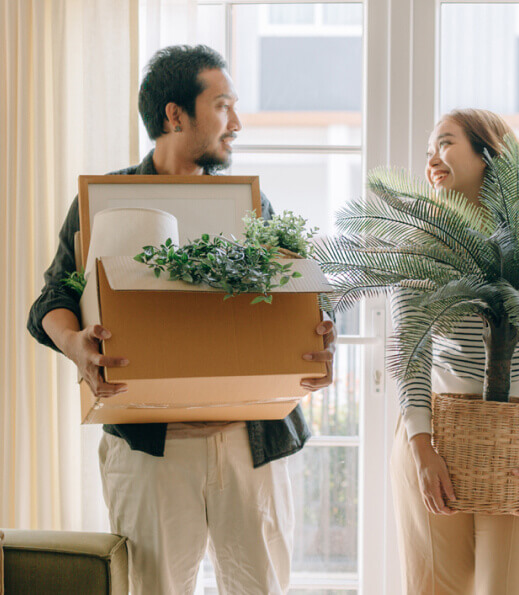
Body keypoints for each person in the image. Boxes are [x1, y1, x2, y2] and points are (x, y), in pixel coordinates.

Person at [25, 44, 335, 595]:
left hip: (253, 443)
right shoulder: (103, 202)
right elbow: (51, 299)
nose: (236, 124)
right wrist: (76, 346)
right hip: (150, 447)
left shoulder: (252, 206)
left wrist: (316, 334)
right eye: (223, 106)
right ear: (175, 114)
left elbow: (303, 293)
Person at [389, 108, 519, 594]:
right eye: (428, 148)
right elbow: (410, 347)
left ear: (489, 153)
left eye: (446, 142)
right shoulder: (422, 241)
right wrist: (420, 445)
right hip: (432, 439)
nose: (432, 157)